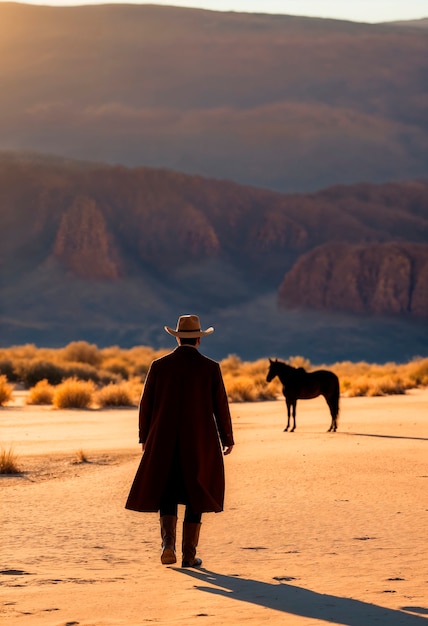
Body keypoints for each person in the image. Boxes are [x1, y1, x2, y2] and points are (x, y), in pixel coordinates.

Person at [125, 314, 234, 568]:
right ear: (198, 339)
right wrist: (227, 438)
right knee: (197, 491)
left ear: (177, 338)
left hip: (163, 439)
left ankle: (167, 546)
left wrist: (145, 437)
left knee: (168, 491)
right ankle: (188, 555)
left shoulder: (159, 366)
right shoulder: (210, 368)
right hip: (200, 441)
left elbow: (146, 406)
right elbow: (221, 406)